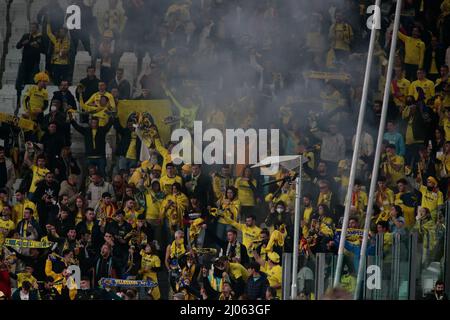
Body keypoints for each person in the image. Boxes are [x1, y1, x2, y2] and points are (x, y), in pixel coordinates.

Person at [15, 23, 43, 96]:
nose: (32, 29)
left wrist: (37, 46)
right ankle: (21, 94)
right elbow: (17, 46)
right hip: (25, 61)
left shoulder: (40, 37)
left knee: (33, 79)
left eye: (34, 28)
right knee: (23, 78)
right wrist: (23, 43)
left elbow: (44, 50)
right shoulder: (26, 36)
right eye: (31, 27)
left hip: (35, 62)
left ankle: (33, 94)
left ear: (37, 28)